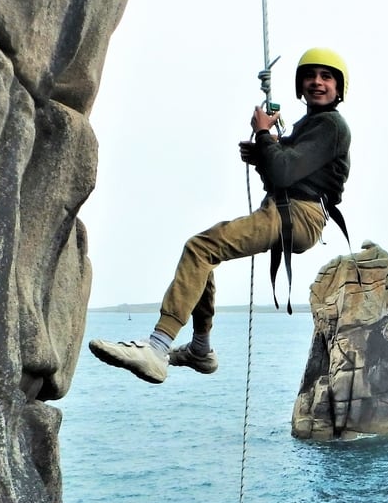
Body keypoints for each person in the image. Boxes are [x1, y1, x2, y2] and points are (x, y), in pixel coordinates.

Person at [88, 47, 351, 384]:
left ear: (340, 88)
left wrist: (266, 135)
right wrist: (262, 153)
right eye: (310, 76)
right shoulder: (313, 124)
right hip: (290, 212)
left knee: (200, 247)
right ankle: (199, 349)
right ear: (300, 86)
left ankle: (158, 347)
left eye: (326, 77)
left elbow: (284, 175)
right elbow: (280, 175)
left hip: (299, 215)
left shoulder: (331, 124)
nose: (317, 82)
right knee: (205, 254)